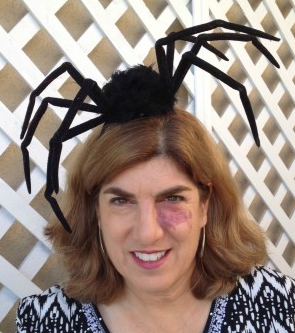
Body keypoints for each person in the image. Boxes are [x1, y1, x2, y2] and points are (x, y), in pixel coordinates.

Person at [16, 65, 295, 333]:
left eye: (172, 198)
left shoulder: (279, 306)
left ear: (205, 205)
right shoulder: (43, 322)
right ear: (96, 211)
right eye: (121, 201)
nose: (148, 234)